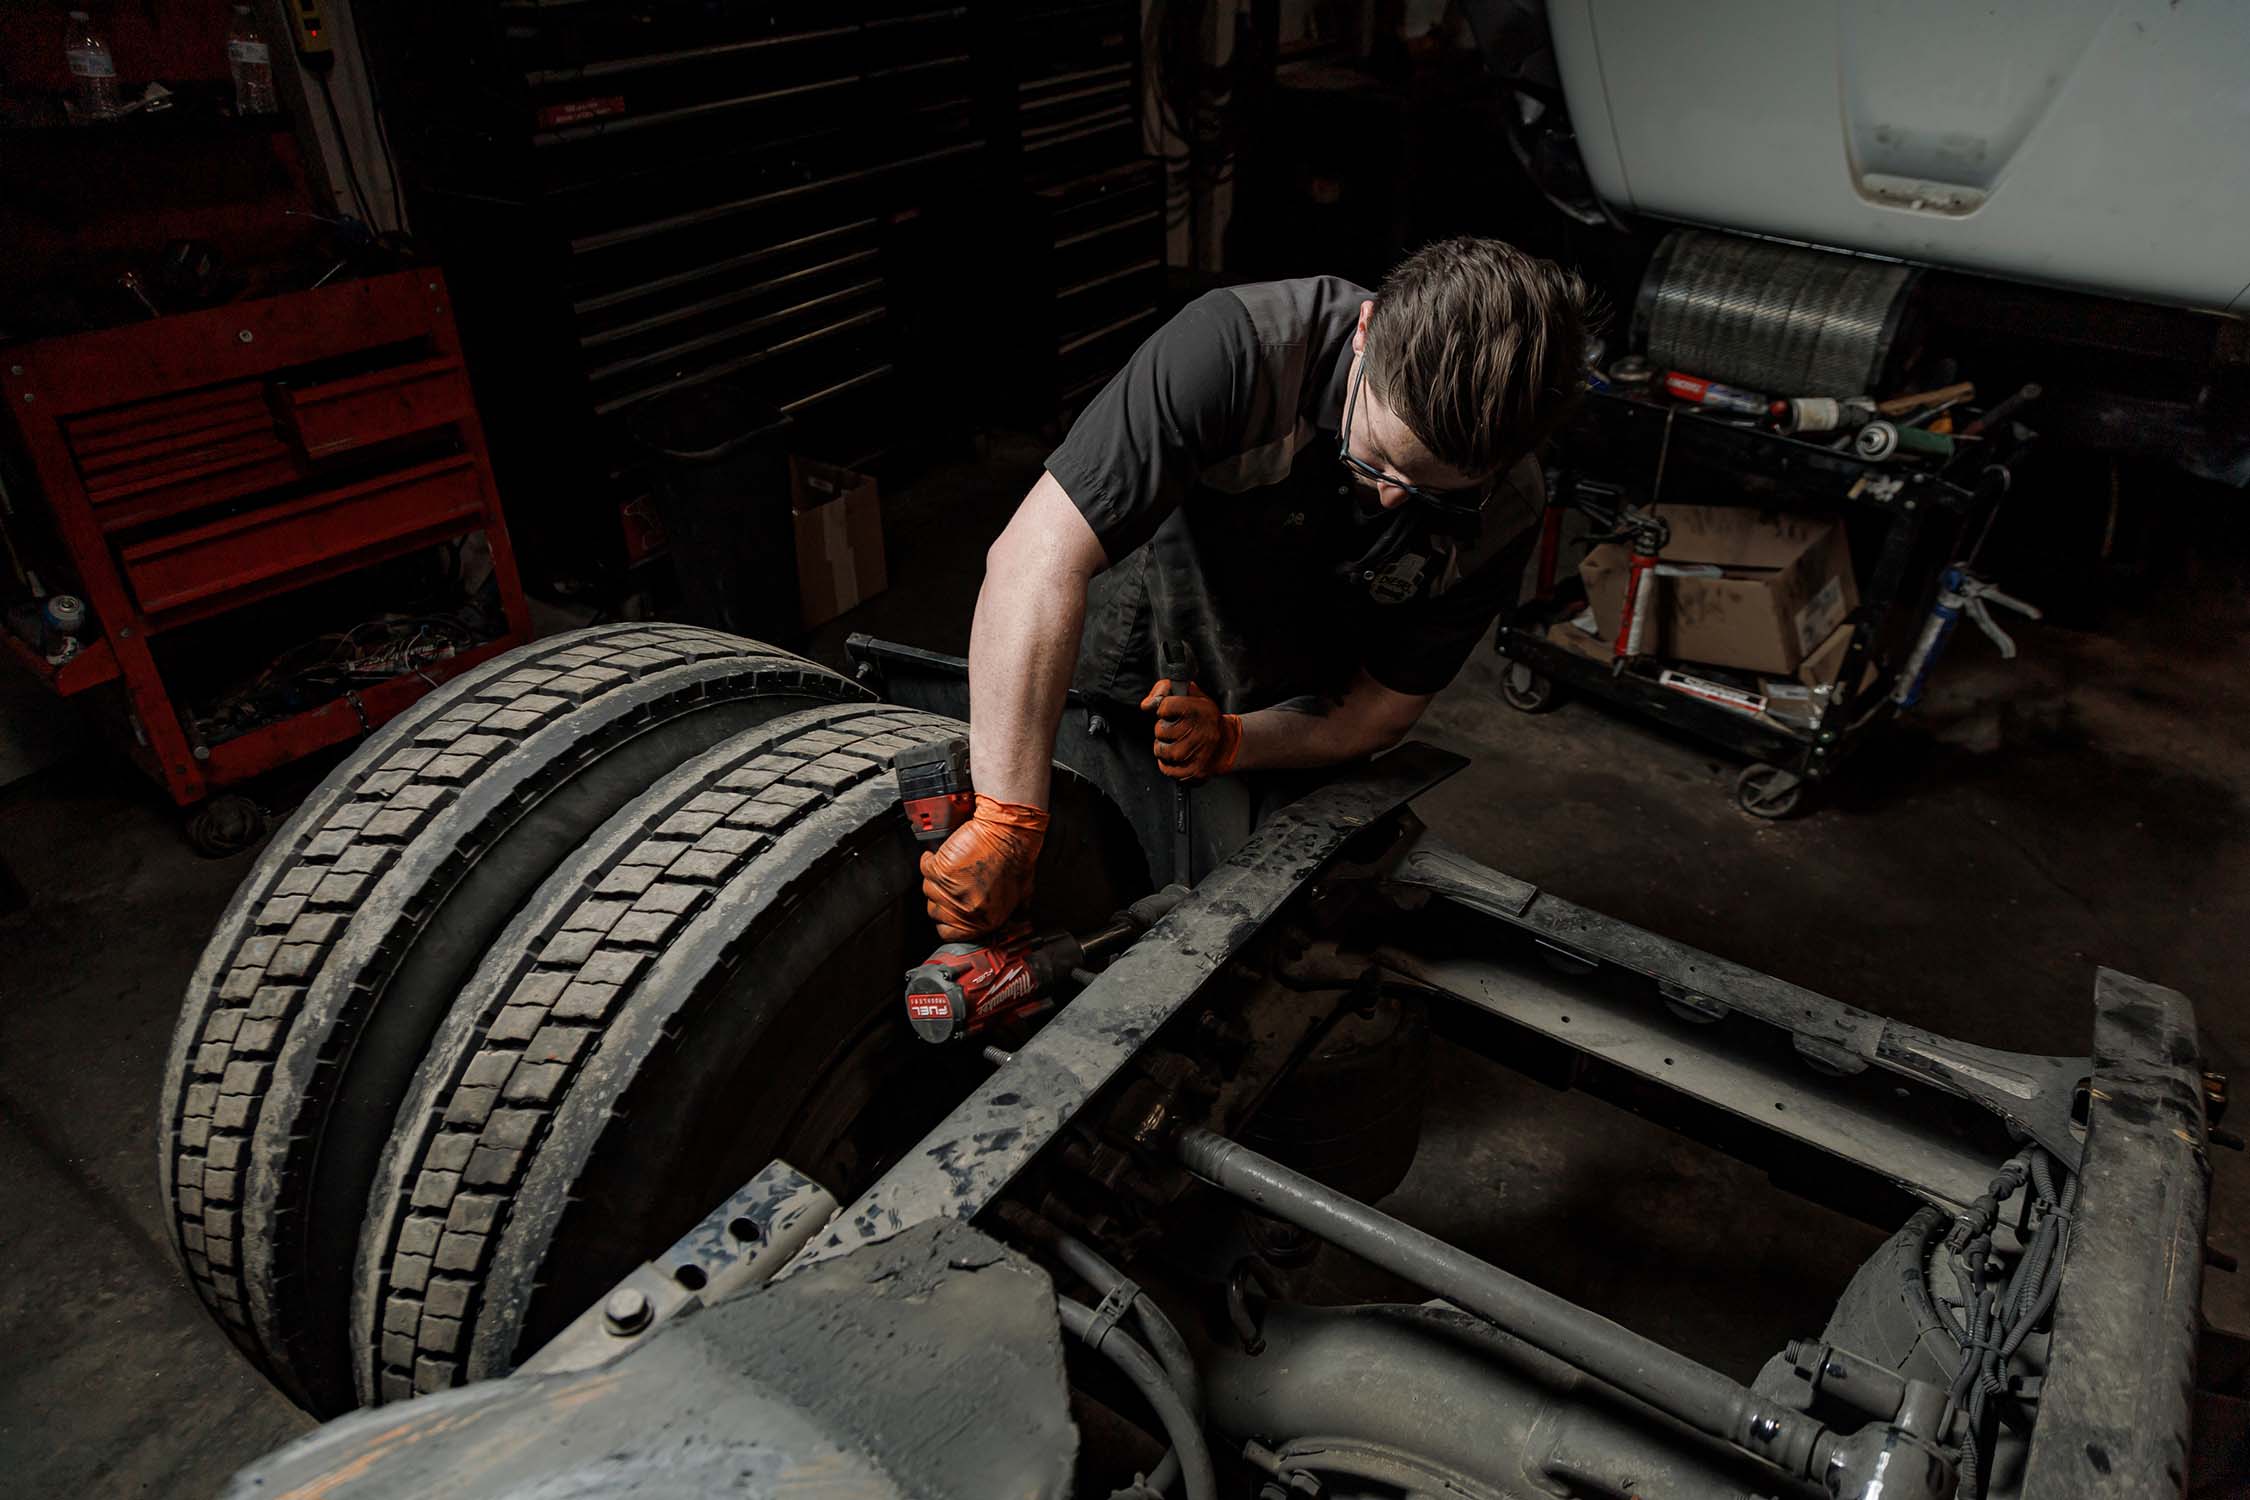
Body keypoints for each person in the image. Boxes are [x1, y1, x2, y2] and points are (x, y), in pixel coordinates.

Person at [922, 237, 1595, 941]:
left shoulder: (1509, 504)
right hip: (1150, 640)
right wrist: (1008, 817)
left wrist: (1239, 741)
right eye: (1382, 460)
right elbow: (1034, 558)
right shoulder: (1238, 349)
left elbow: (1378, 712)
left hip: (1300, 708)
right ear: (1366, 332)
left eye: (1439, 493)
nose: (1396, 503)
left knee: (1269, 928)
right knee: (1086, 850)